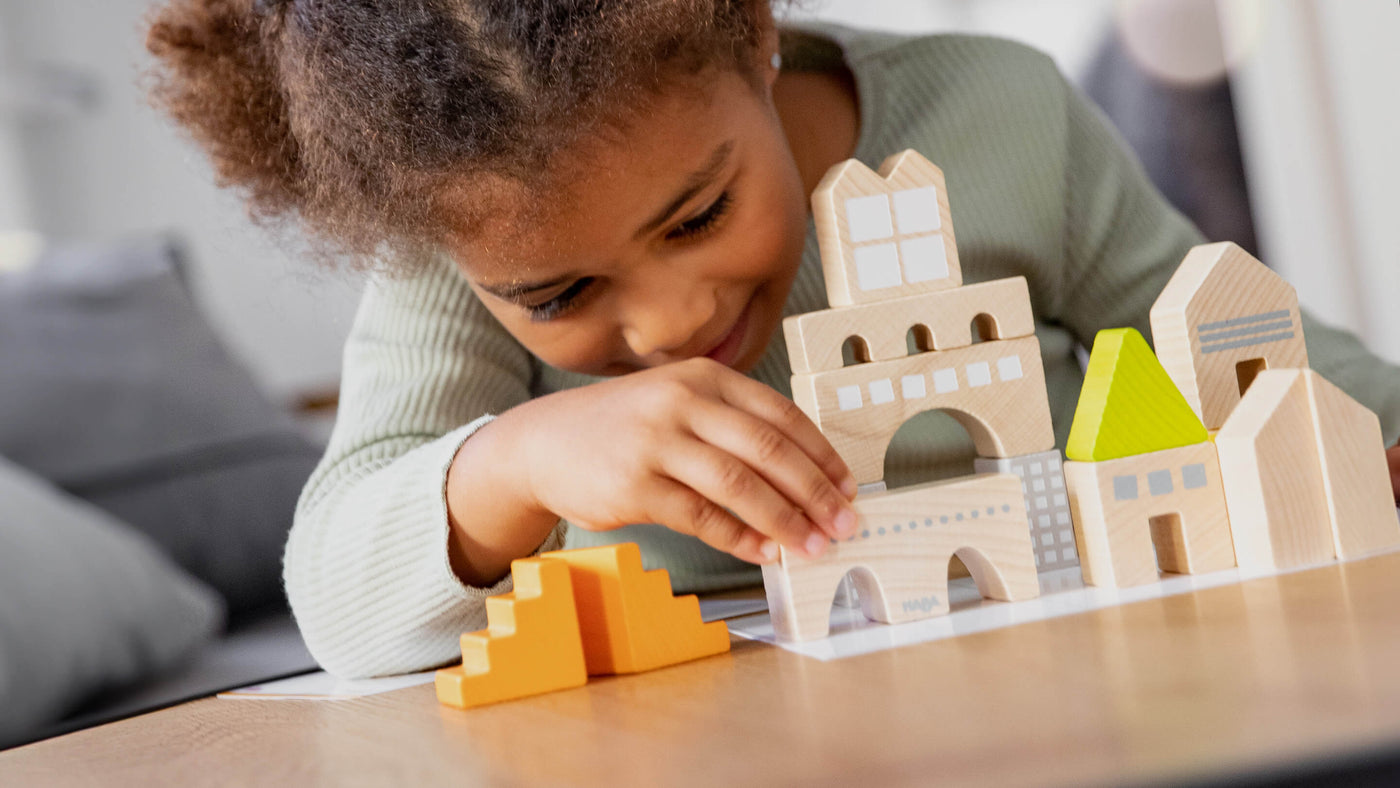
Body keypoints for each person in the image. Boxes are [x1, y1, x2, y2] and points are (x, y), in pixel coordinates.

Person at [145, 0, 1400, 678]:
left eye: (698, 213)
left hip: (1106, 671)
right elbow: (337, 597)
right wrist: (518, 460)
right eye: (560, 294)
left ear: (750, 31)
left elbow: (1244, 339)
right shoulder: (449, 257)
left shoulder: (995, 112)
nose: (672, 318)